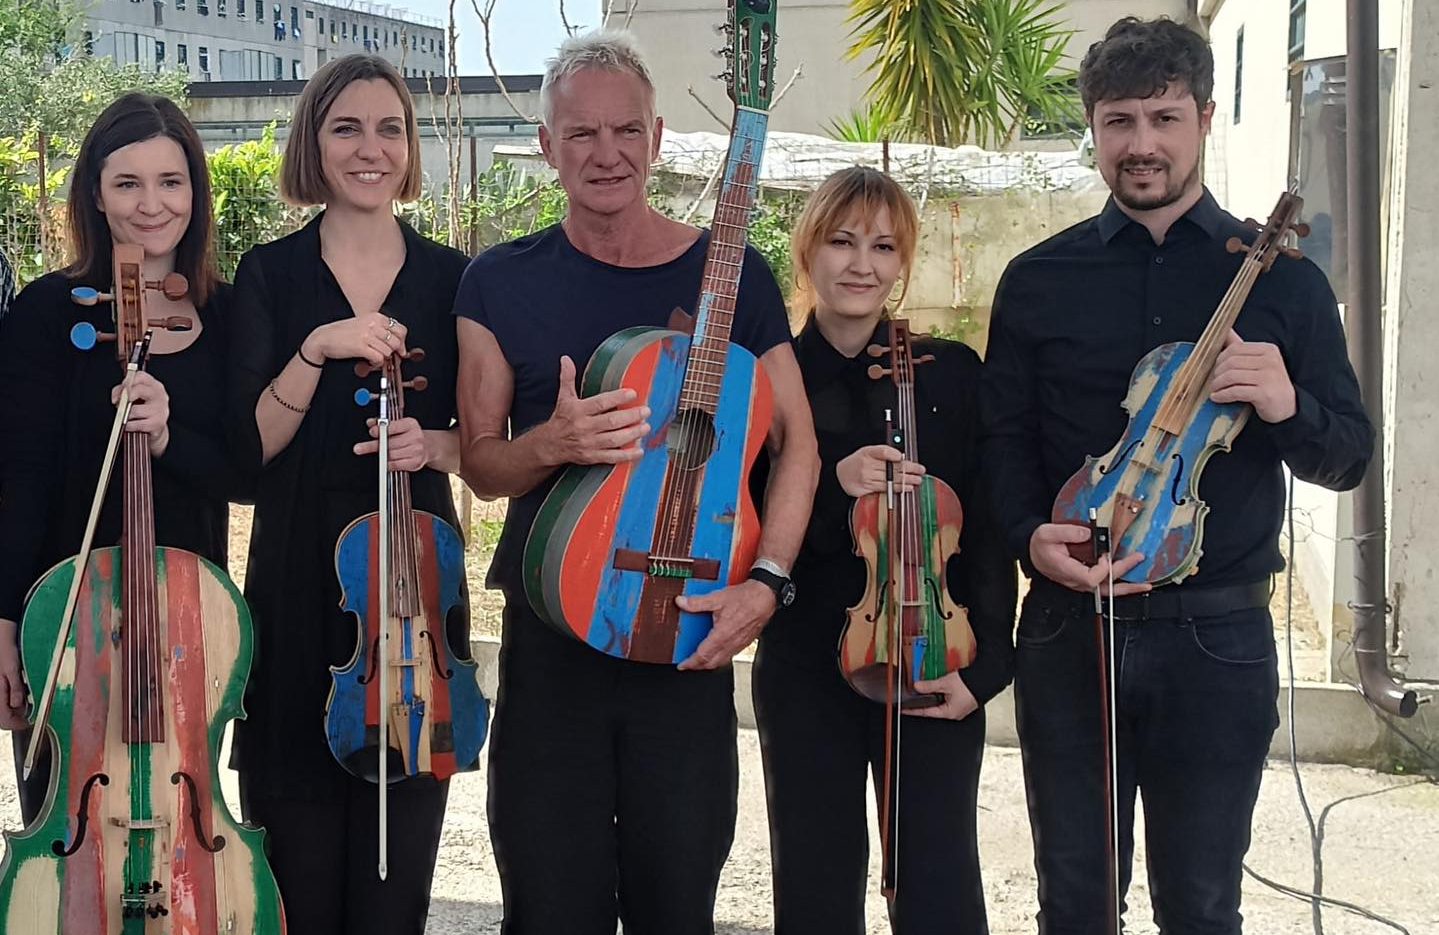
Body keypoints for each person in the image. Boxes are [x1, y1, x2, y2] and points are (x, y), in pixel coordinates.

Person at [982, 17, 1374, 935]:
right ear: (1092, 126)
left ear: (1202, 117)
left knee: (1200, 905)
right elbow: (1000, 443)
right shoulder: (1038, 280)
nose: (1142, 144)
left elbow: (1347, 454)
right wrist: (1024, 538)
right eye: (1118, 121)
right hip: (1068, 628)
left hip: (1216, 637)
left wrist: (1285, 404)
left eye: (1164, 117)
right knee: (1074, 901)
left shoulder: (1283, 282)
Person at [454, 30, 819, 935]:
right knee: (548, 910)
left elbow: (798, 447)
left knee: (676, 906)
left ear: (657, 138)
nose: (606, 154)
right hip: (553, 644)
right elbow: (480, 461)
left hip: (687, 636)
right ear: (546, 145)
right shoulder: (496, 283)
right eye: (580, 135)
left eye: (625, 131)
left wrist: (766, 585)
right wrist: (553, 441)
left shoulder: (735, 277)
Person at [226, 53, 470, 935]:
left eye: (389, 128)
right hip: (294, 583)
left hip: (413, 590)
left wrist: (432, 441)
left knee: (394, 890)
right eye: (346, 127)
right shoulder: (271, 274)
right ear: (313, 142)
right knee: (295, 881)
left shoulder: (451, 279)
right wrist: (316, 347)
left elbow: (485, 446)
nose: (371, 148)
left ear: (409, 147)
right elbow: (248, 456)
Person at [752, 166, 1015, 935]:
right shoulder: (773, 378)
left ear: (902, 262)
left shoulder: (951, 376)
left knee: (938, 890)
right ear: (807, 250)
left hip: (930, 657)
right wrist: (830, 487)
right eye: (840, 241)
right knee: (814, 884)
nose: (860, 263)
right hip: (805, 666)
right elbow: (740, 534)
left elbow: (986, 534)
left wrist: (988, 667)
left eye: (882, 246)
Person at [0, 93, 238, 823]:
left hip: (188, 624)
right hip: (62, 619)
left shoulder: (228, 315)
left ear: (194, 194)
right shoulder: (46, 313)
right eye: (126, 183)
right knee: (63, 830)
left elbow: (246, 470)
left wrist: (170, 436)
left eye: (170, 181)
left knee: (180, 829)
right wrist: (5, 621)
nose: (151, 205)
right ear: (96, 196)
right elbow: (18, 476)